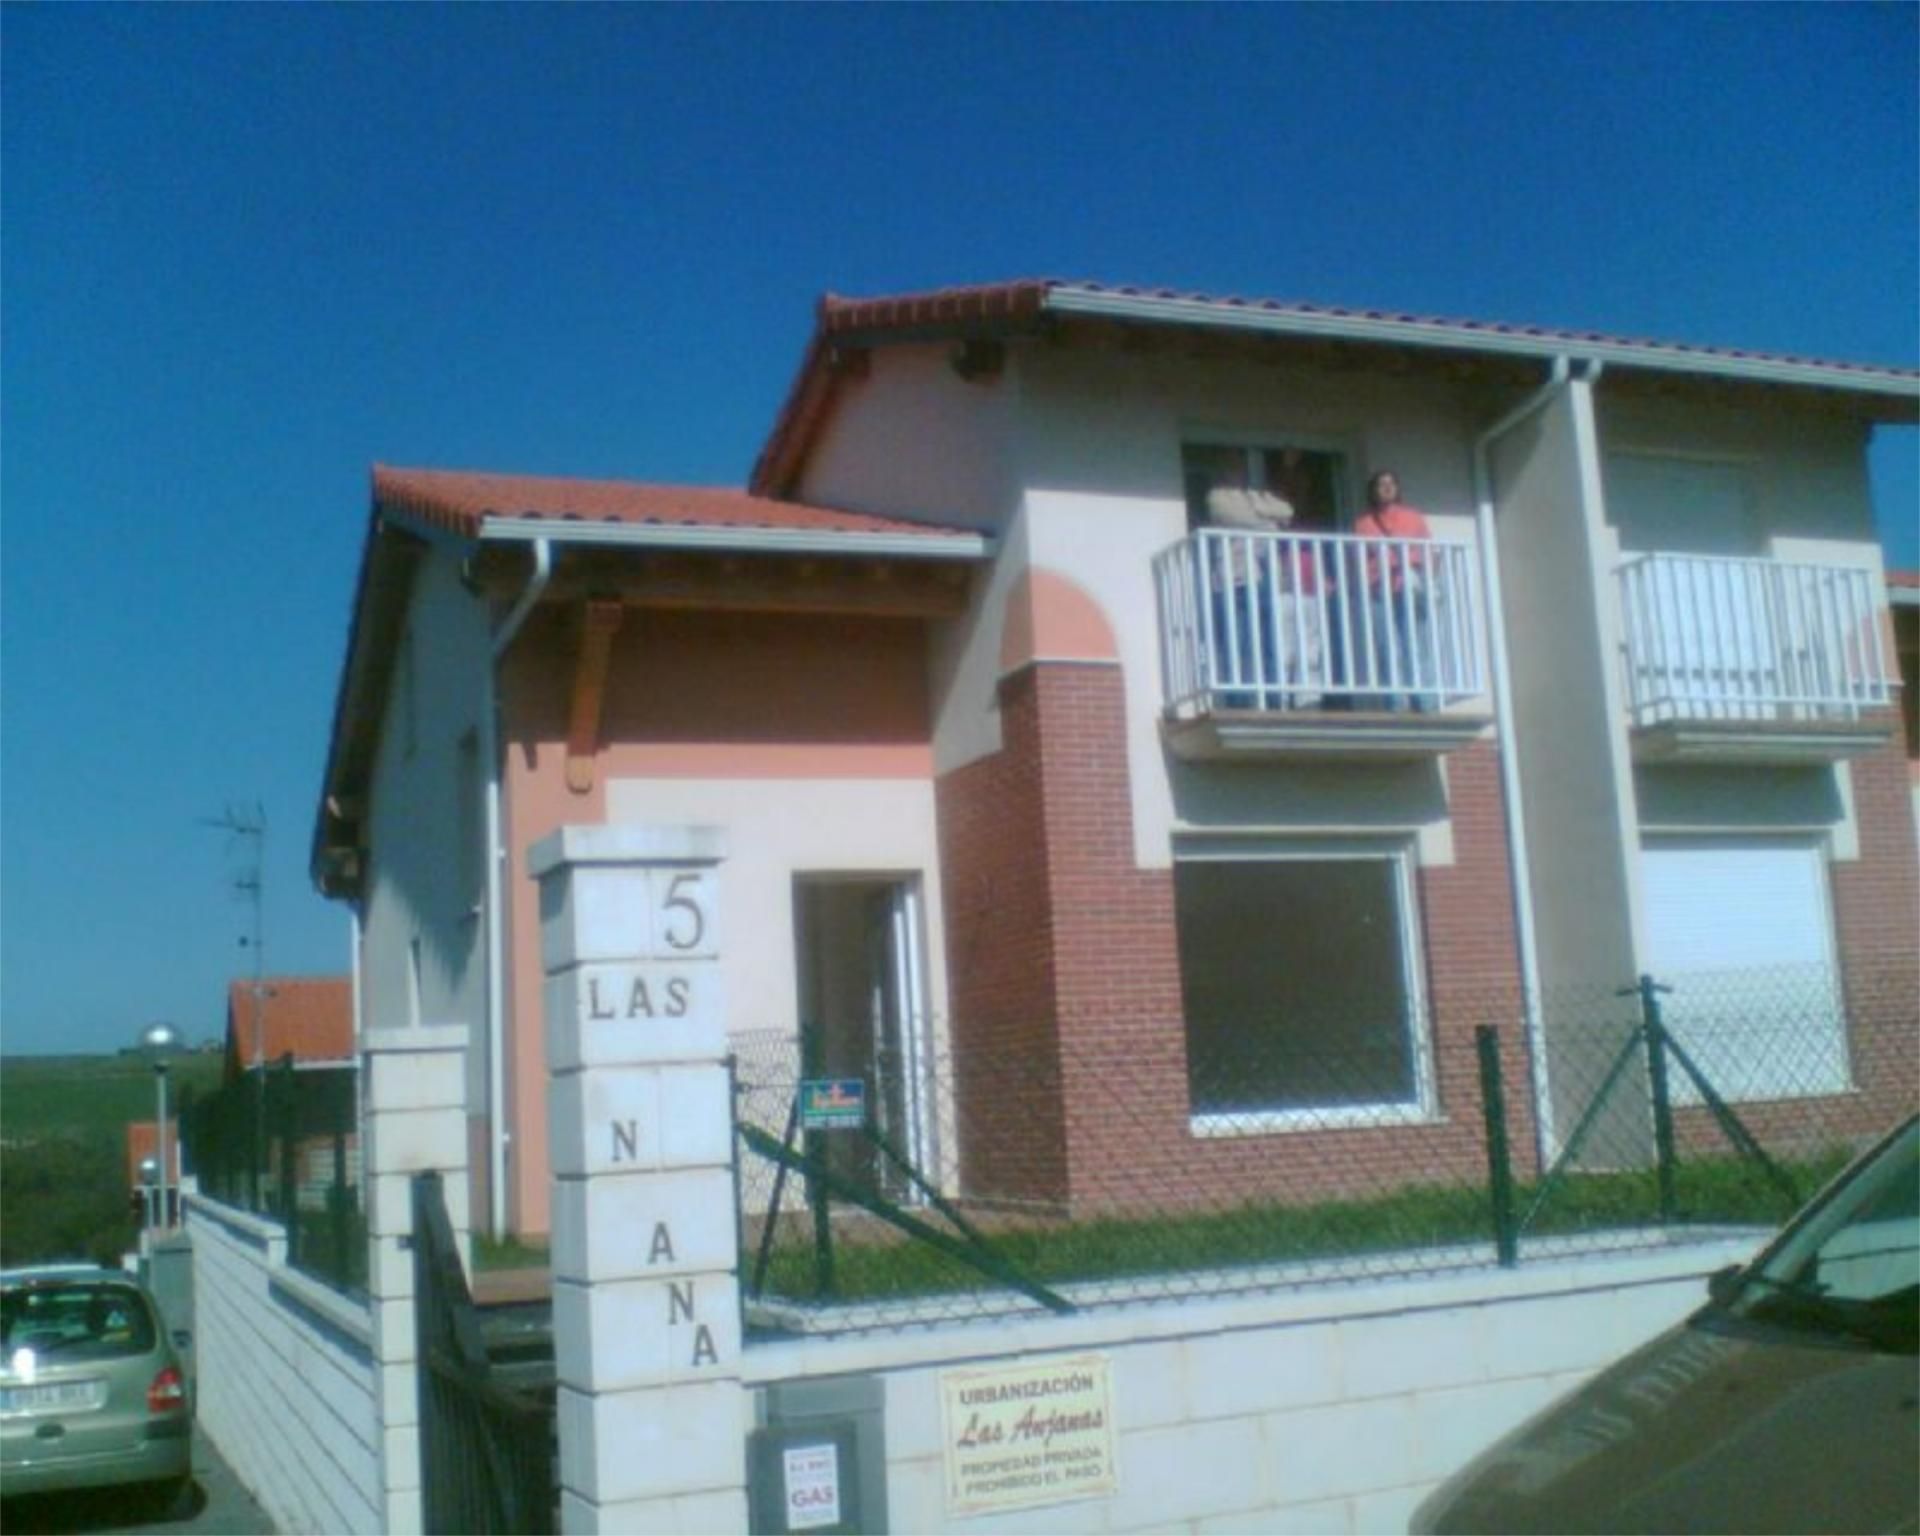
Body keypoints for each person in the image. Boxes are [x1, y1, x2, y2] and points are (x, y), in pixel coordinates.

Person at [1204, 470, 1291, 708]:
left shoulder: (1253, 496)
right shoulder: (1218, 496)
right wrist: (1266, 523)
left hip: (1259, 579)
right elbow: (1232, 517)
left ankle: (1274, 699)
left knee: (1268, 643)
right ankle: (1237, 701)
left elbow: (1287, 511)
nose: (1237, 472)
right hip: (1230, 581)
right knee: (1236, 644)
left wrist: (1256, 512)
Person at [1355, 470, 1434, 712]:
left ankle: (1423, 702)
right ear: (1373, 490)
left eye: (1391, 484)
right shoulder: (1364, 523)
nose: (1387, 488)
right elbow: (1357, 558)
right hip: (1380, 590)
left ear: (1398, 488)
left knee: (1416, 646)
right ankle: (1396, 703)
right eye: (1381, 484)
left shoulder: (1413, 517)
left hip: (1410, 587)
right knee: (1388, 647)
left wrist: (1425, 577)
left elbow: (1429, 552)